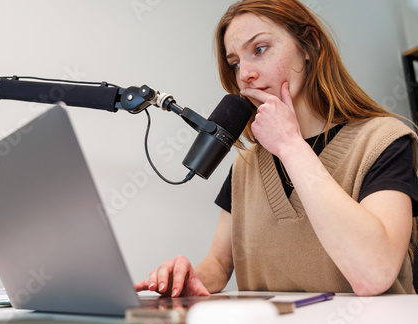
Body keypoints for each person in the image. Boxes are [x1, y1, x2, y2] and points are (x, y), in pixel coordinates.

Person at [135, 0, 418, 297]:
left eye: (259, 49)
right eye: (235, 63)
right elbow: (219, 264)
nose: (244, 73)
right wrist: (191, 277)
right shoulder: (246, 165)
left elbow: (374, 274)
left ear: (310, 46)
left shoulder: (384, 141)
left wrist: (290, 146)